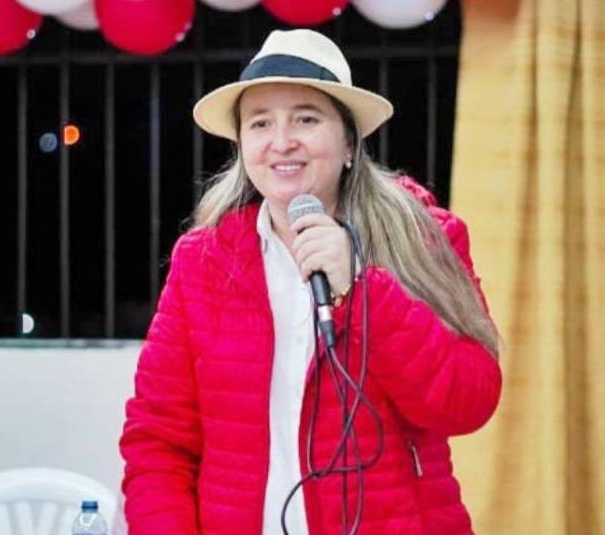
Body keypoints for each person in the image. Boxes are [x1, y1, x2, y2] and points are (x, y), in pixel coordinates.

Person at [119, 29, 502, 535]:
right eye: (260, 122)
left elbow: (469, 401)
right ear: (243, 146)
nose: (282, 141)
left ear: (349, 143)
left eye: (306, 118)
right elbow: (158, 441)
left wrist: (363, 289)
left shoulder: (424, 236)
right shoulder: (203, 262)